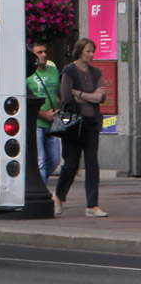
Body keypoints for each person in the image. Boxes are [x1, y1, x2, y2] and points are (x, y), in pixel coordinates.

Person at [52, 37, 108, 217]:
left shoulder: (95, 72)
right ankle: (58, 197)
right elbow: (67, 97)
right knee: (71, 164)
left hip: (92, 123)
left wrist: (81, 93)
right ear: (80, 51)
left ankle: (92, 205)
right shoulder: (69, 70)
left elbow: (101, 98)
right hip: (74, 124)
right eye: (88, 51)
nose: (92, 55)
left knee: (92, 163)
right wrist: (90, 95)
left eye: (93, 51)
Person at [27, 39, 61, 181]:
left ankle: (39, 182)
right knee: (40, 161)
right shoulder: (28, 73)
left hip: (53, 122)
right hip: (37, 123)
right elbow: (25, 100)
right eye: (39, 52)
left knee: (54, 160)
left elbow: (60, 92)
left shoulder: (53, 70)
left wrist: (60, 109)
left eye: (45, 51)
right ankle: (43, 190)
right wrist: (43, 114)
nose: (44, 55)